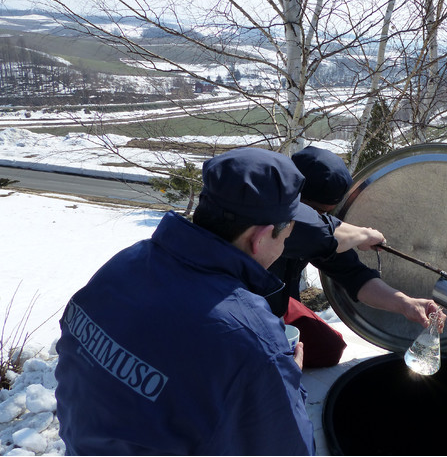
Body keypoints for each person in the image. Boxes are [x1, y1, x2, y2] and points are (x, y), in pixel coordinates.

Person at [54, 147, 315, 455]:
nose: (283, 248)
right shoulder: (251, 338)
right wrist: (284, 378)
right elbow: (288, 448)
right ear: (259, 238)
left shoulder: (127, 262)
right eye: (284, 239)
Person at [268, 146, 446, 368]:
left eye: (326, 215)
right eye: (314, 212)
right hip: (236, 308)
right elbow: (313, 230)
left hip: (281, 306)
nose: (320, 220)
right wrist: (363, 235)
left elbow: (354, 275)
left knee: (328, 349)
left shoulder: (324, 237)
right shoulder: (260, 221)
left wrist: (406, 304)